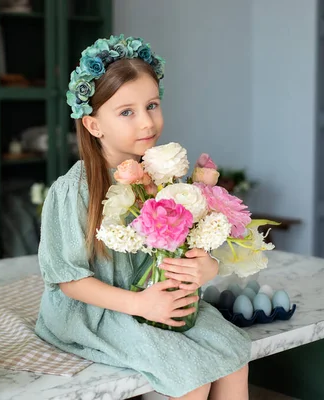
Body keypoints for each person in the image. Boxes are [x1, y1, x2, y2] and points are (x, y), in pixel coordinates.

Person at [35, 34, 251, 400]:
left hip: (154, 300)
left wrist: (207, 267)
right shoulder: (74, 190)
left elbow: (183, 248)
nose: (146, 122)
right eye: (126, 112)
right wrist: (139, 304)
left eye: (152, 105)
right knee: (192, 377)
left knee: (235, 354)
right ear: (93, 125)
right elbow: (69, 281)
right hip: (96, 311)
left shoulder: (165, 179)